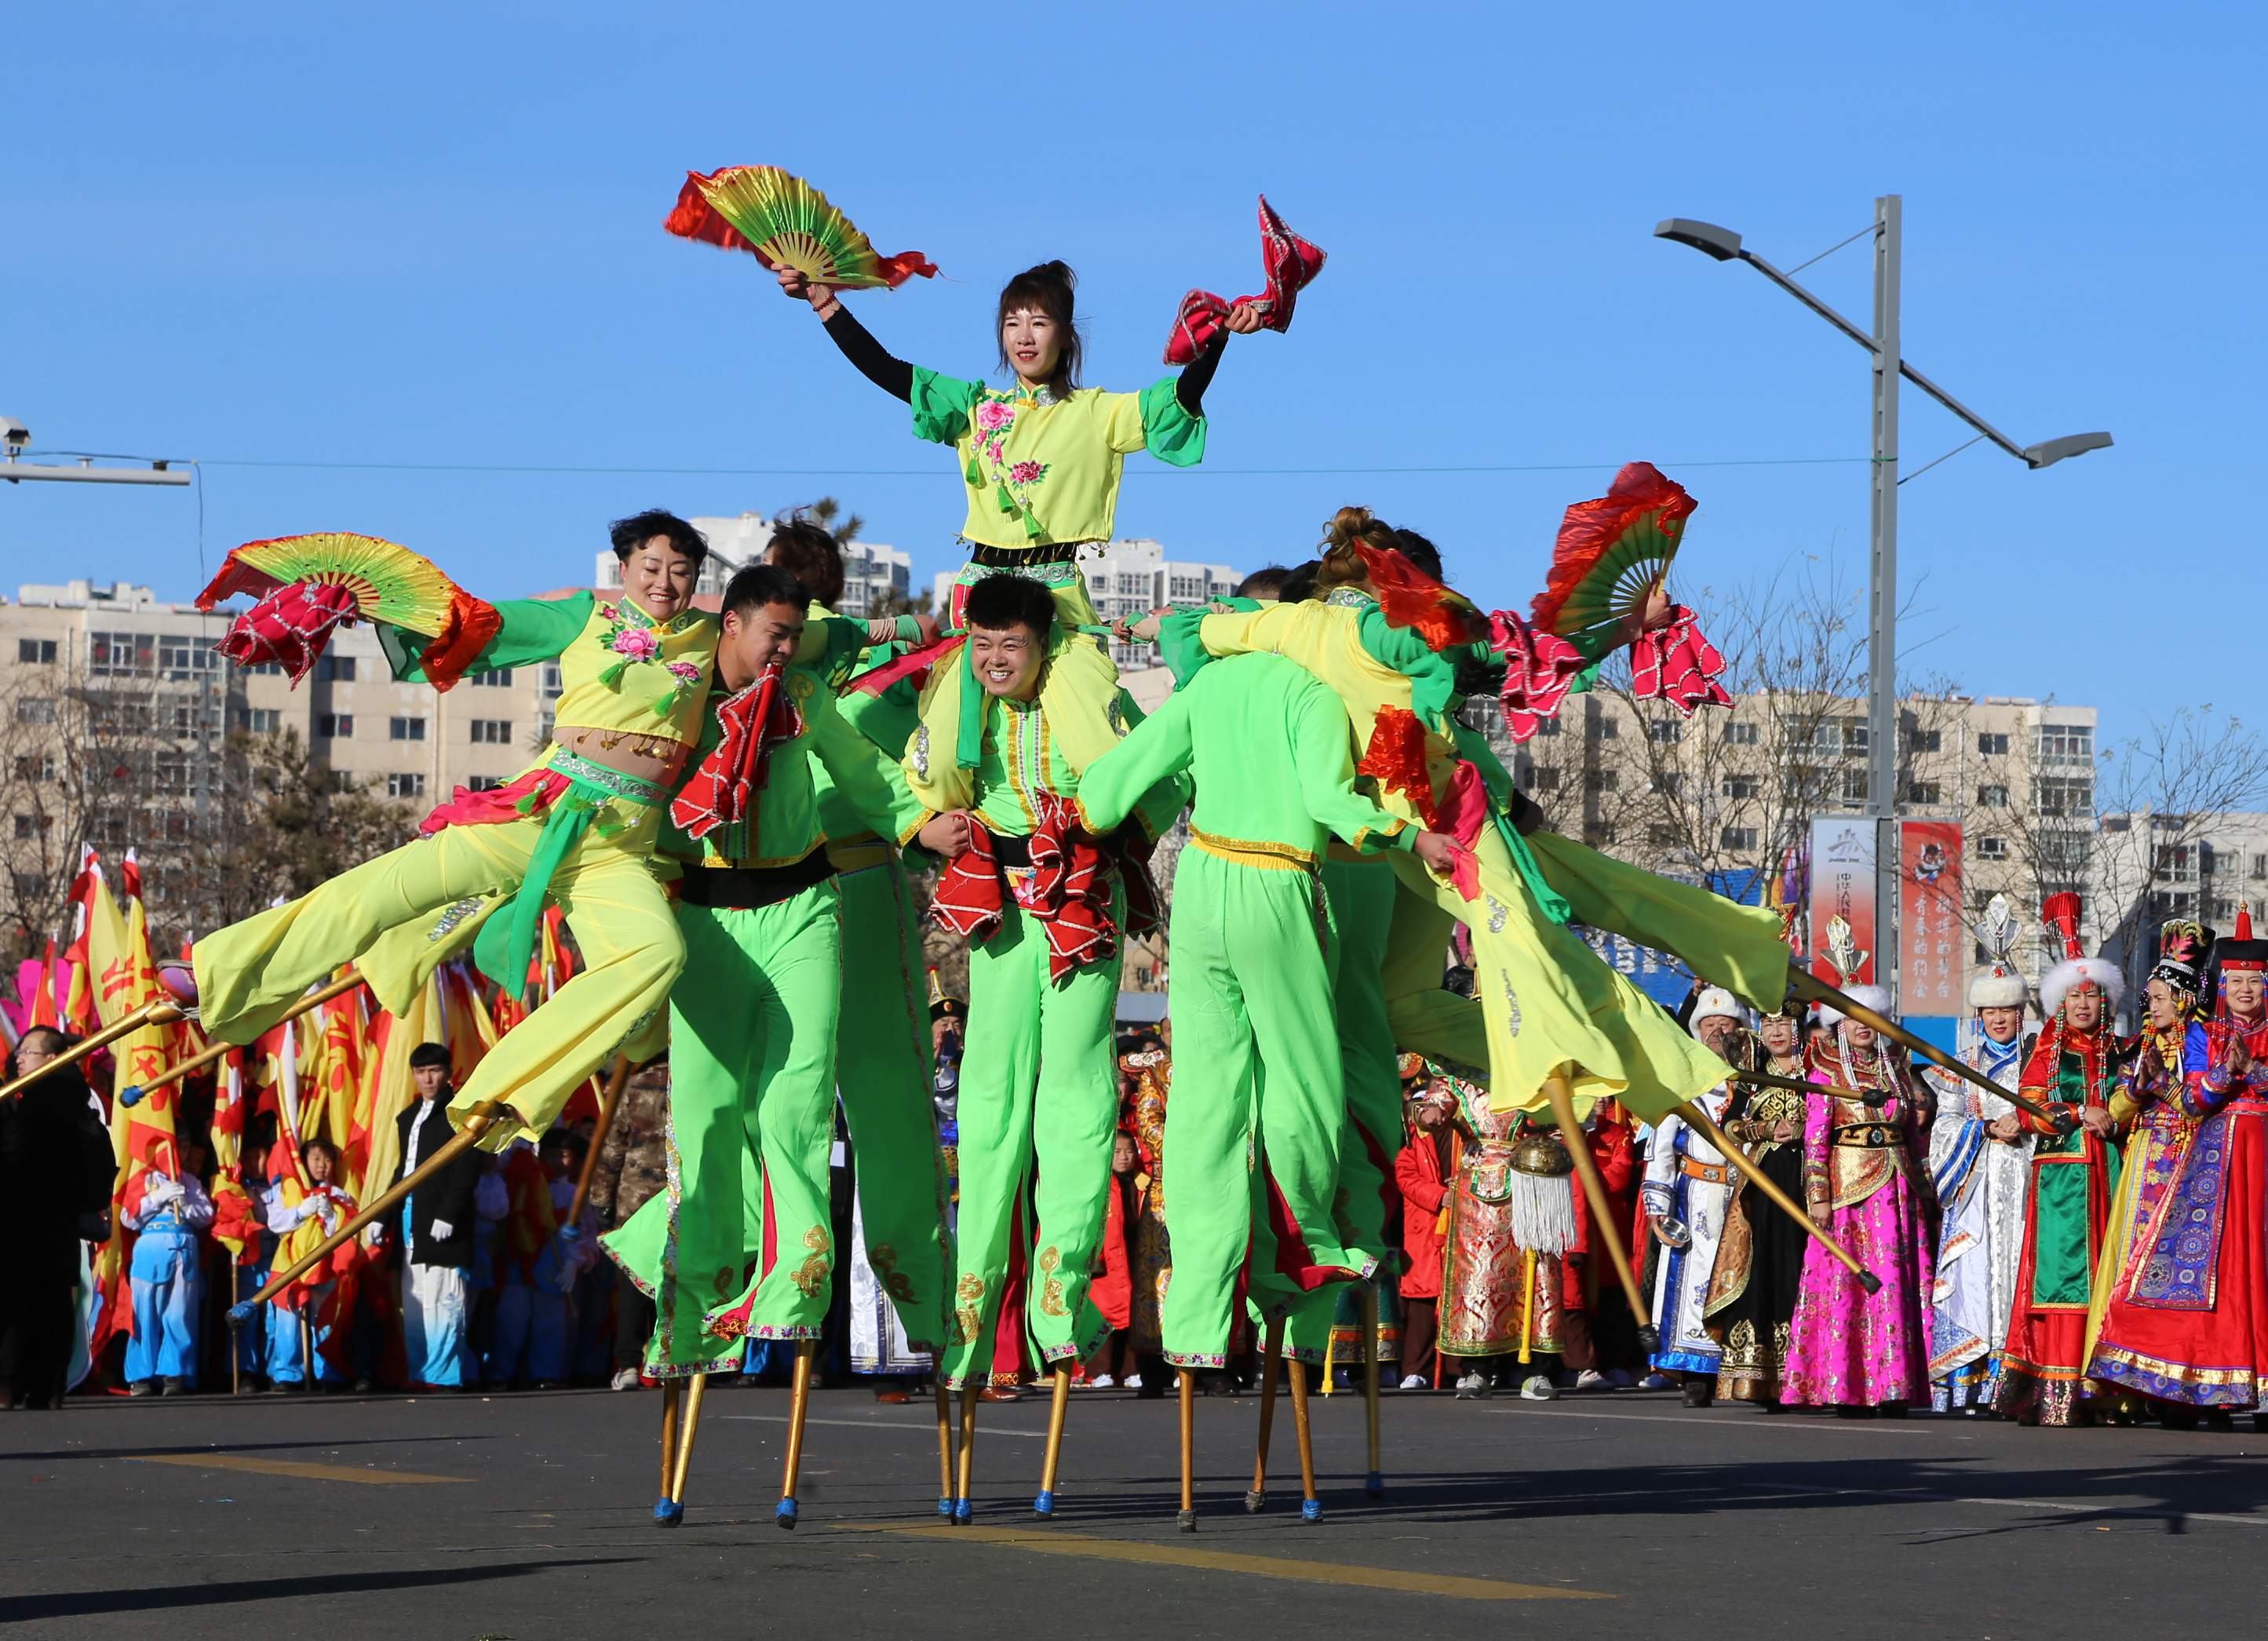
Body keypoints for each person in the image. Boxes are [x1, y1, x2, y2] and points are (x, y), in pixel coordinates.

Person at [169, 512, 742, 1153]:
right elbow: (474, 623)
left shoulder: (712, 636)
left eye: (682, 571)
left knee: (657, 951)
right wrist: (377, 603)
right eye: (652, 567)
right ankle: (218, 973)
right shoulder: (588, 616)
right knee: (379, 892)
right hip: (534, 816)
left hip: (618, 849)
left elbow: (797, 631)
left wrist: (876, 631)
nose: (666, 582)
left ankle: (506, 1092)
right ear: (626, 566)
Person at [1074, 645, 1449, 1378]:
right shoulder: (1313, 693)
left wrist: (1085, 820)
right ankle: (1303, 1252)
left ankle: (1199, 1307)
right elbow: (1328, 800)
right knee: (1302, 1082)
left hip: (1205, 884)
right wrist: (1409, 834)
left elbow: (1113, 784)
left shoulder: (1211, 683)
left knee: (1207, 1094)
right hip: (1279, 883)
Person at [603, 563, 932, 1384]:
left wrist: (926, 825)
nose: (785, 649)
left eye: (794, 636)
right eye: (772, 635)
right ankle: (692, 1323)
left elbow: (864, 772)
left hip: (802, 910)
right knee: (709, 1121)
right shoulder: (671, 695)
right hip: (705, 922)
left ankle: (791, 1302)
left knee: (797, 1107)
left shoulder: (804, 695)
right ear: (731, 627)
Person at [903, 573, 1185, 1392]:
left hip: (1081, 910)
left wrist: (1109, 825)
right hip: (999, 911)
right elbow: (900, 774)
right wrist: (924, 827)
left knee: (1072, 1097)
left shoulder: (1090, 696)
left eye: (1011, 646)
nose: (995, 660)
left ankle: (1062, 1309)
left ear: (1042, 644)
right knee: (989, 1103)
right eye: (983, 644)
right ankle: (969, 1320)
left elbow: (1164, 774)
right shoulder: (960, 703)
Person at [778, 258, 1260, 640]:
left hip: (1056, 597)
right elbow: (884, 368)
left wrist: (1217, 340)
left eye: (1039, 323)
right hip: (979, 594)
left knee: (1088, 723)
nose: (1024, 336)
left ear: (1067, 335)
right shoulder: (973, 406)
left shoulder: (1098, 412)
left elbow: (1177, 400)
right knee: (945, 746)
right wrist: (823, 302)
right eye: (1012, 323)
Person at [765, 512, 956, 1395]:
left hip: (849, 887)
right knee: (794, 1099)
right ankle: (762, 1316)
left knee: (858, 1101)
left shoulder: (878, 687)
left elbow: (916, 791)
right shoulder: (760, 682)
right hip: (787, 891)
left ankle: (911, 1316)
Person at [2090, 911, 2268, 1426]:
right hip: (2216, 1162)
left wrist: (2251, 1070)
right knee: (2217, 1272)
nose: (2244, 989)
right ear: (2221, 985)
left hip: (2262, 1154)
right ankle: (2204, 1380)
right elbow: (2192, 1100)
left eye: (2253, 980)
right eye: (2235, 980)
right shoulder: (2204, 1034)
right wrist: (2225, 1073)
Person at [1995, 899, 2128, 1428]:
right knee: (2065, 1280)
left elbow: (2136, 1100)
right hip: (2063, 1177)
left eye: (2091, 996)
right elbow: (2030, 1111)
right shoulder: (2047, 1050)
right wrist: (2076, 1110)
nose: (2083, 1004)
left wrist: (2114, 1119)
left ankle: (2107, 1390)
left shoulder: (2122, 1049)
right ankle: (2058, 1389)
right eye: (2074, 995)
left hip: (2113, 1168)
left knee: (2110, 1276)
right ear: (2060, 1002)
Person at [1781, 980, 1936, 1416]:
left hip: (1898, 1191)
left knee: (1897, 1285)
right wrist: (1818, 1196)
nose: (1861, 1026)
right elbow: (1815, 1140)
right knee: (1848, 1285)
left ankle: (1895, 1386)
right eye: (1851, 1017)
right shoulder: (1825, 1072)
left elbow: (1913, 1139)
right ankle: (1848, 1386)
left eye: (1868, 1017)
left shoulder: (1898, 1069)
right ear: (1838, 1024)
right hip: (1850, 1194)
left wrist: (1925, 1191)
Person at [1922, 917, 2037, 1416]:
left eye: (2007, 1010)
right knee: (1974, 1276)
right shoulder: (1960, 1064)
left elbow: (2056, 1110)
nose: (1999, 1019)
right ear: (1980, 1014)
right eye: (1990, 1010)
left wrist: (2026, 1122)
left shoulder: (2039, 1061)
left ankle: (2016, 1378)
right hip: (1976, 1184)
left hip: (2028, 1176)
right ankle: (1970, 1380)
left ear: (2019, 1012)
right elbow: (1943, 1126)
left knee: (2022, 1272)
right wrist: (1986, 1129)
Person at [1431, 1067, 1584, 1401]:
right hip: (1479, 1192)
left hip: (1535, 1181)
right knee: (1480, 1277)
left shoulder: (1537, 1063)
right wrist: (1429, 1111)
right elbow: (1438, 1100)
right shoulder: (1460, 1073)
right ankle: (1477, 1370)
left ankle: (1538, 1371)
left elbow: (1565, 1117)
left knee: (1539, 1275)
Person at [0, 1028, 115, 1409]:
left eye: (28, 1051)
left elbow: (16, 1157)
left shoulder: (45, 1105)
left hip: (32, 1217)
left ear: (51, 1060)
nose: (19, 1058)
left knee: (23, 1302)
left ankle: (16, 1383)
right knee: (50, 1302)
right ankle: (45, 1385)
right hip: (56, 1222)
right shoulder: (65, 1101)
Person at [1703, 1009, 1813, 1408]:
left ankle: (1805, 1370)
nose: (1776, 1032)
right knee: (1763, 1267)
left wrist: (1805, 1129)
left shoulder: (1818, 1069)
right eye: (1768, 1025)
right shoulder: (1753, 1071)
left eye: (1784, 1024)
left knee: (1801, 1267)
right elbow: (1729, 1127)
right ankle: (1761, 1374)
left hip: (1810, 1179)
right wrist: (1766, 1129)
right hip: (1764, 1182)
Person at [1642, 990, 1746, 1407]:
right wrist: (1658, 1207)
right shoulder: (1682, 1082)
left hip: (1742, 1196)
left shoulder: (1754, 1081)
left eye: (1727, 1025)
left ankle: (1738, 1369)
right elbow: (1662, 1149)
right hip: (1695, 1194)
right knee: (1690, 1282)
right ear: (1697, 1031)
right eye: (1709, 1025)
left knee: (1738, 1279)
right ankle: (1694, 1375)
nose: (1718, 1032)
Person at [388, 1043, 483, 1390]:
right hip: (410, 1216)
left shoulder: (458, 1112)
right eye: (421, 1071)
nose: (428, 1078)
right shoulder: (408, 1117)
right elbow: (404, 1170)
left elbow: (467, 1166)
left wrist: (449, 1213)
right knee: (415, 1301)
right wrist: (382, 1217)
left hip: (443, 1219)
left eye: (434, 1070)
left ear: (448, 1072)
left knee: (444, 1298)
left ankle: (444, 1375)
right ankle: (420, 1371)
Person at [584, 1056, 672, 1389]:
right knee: (675, 1281)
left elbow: (612, 1148)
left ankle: (629, 1363)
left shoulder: (632, 1085)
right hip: (682, 1197)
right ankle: (669, 1358)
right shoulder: (694, 1076)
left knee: (634, 1283)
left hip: (635, 1199)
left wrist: (600, 1203)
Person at [264, 1138, 358, 1391]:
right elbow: (275, 1222)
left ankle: (327, 1372)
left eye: (327, 1160)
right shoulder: (289, 1189)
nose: (322, 1165)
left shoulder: (339, 1195)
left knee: (325, 1319)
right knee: (288, 1318)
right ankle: (288, 1373)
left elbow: (346, 1232)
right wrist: (300, 1212)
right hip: (291, 1264)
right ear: (304, 1161)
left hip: (324, 1267)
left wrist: (329, 1215)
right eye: (316, 1159)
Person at [122, 1138, 216, 1395]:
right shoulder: (143, 1178)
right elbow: (128, 1218)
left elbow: (207, 1215)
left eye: (185, 1148)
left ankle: (174, 1373)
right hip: (150, 1250)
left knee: (179, 1313)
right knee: (144, 1313)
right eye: (175, 1147)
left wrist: (186, 1206)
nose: (180, 1153)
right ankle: (140, 1376)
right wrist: (156, 1199)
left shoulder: (190, 1181)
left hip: (183, 1252)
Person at [1395, 1080, 1453, 1389]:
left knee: (1455, 1300)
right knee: (1422, 1304)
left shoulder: (1455, 1136)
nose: (1439, 1116)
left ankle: (1456, 1369)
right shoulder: (1408, 1144)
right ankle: (1415, 1369)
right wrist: (1440, 1196)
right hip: (1424, 1229)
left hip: (1454, 1226)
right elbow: (1406, 1179)